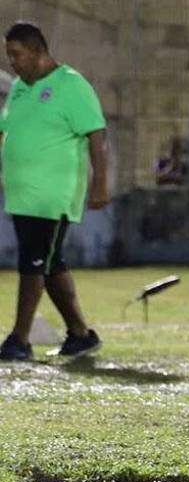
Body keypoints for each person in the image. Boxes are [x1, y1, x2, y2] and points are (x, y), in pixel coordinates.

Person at [0, 23, 108, 361]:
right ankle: (80, 334)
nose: (12, 63)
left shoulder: (71, 85)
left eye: (17, 55)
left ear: (37, 51)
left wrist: (100, 182)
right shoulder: (19, 88)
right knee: (49, 264)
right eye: (9, 56)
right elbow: (8, 129)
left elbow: (96, 136)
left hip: (52, 196)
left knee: (33, 262)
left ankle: (19, 339)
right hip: (22, 195)